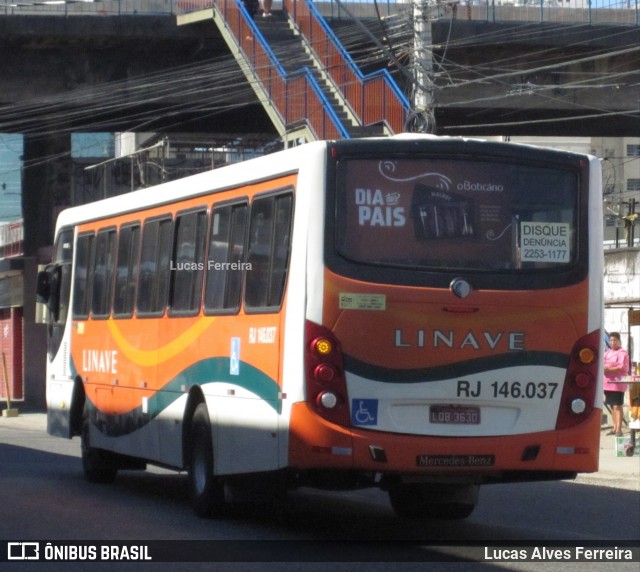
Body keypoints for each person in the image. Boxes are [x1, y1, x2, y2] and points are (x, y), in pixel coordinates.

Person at [603, 331, 630, 437]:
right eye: (611, 340)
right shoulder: (607, 353)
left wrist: (608, 368)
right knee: (611, 405)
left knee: (617, 406)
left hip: (617, 383)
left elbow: (622, 367)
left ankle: (619, 430)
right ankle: (614, 427)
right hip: (607, 383)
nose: (612, 342)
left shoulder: (622, 353)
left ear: (619, 341)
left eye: (615, 340)